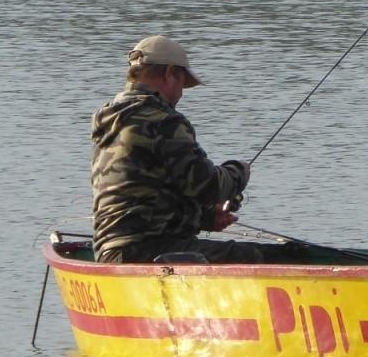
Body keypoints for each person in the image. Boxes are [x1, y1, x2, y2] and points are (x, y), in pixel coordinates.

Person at [90, 34, 286, 264]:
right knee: (268, 256)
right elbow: (210, 187)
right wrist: (238, 171)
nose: (181, 93)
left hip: (110, 252)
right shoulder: (163, 121)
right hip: (146, 252)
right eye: (182, 83)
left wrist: (204, 218)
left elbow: (144, 192)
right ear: (170, 73)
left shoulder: (109, 118)